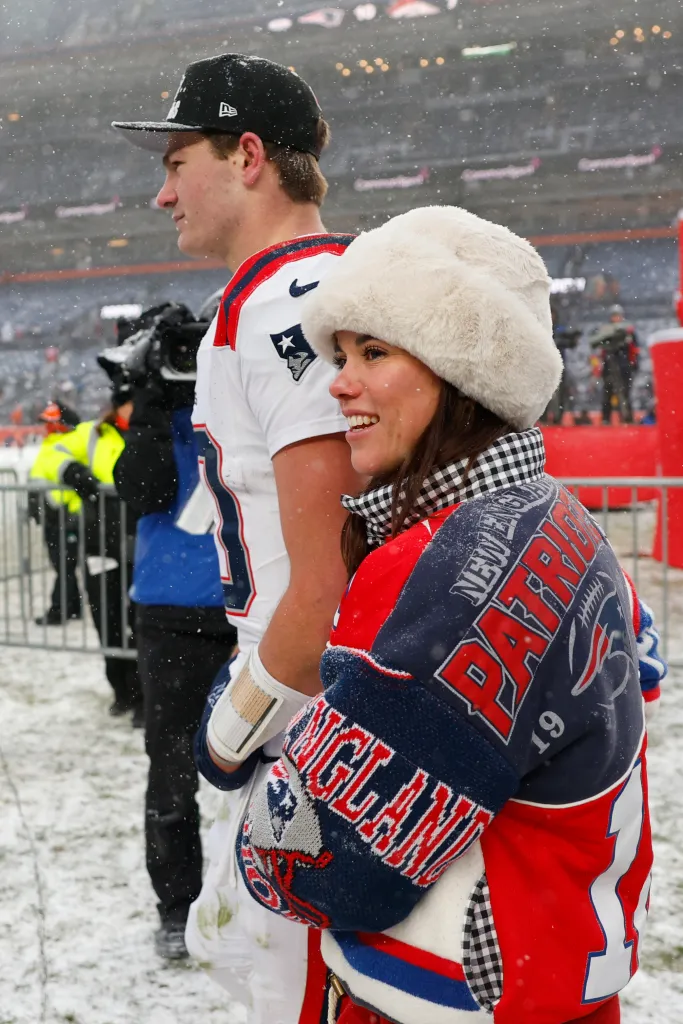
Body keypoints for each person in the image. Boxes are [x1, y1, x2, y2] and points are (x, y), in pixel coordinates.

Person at [234, 207, 667, 1024]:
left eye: (374, 351)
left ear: (463, 370)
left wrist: (267, 803)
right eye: (339, 353)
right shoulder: (548, 512)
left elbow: (324, 860)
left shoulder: (456, 562)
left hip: (455, 992)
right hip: (543, 975)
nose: (338, 381)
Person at [113, 53, 360, 1022]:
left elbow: (329, 582)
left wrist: (231, 727)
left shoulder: (279, 307)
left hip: (311, 711)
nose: (160, 191)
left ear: (247, 154)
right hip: (322, 697)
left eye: (178, 162)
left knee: (291, 989)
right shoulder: (311, 284)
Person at [112, 301, 238, 960]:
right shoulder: (153, 409)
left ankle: (255, 896)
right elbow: (143, 490)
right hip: (170, 615)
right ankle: (176, 904)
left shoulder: (245, 393)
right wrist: (152, 404)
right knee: (170, 768)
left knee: (266, 768)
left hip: (251, 606)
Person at [47, 383, 142, 722]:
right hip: (101, 546)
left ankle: (145, 695)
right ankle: (122, 691)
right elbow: (51, 454)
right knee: (107, 621)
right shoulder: (91, 434)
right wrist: (71, 471)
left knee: (141, 624)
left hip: (144, 550)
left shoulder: (157, 433)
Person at [28, 401, 83, 625]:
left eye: (51, 423)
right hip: (53, 515)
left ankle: (59, 610)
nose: (47, 427)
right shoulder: (52, 443)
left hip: (64, 514)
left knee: (64, 565)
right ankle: (73, 606)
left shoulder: (67, 444)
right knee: (62, 564)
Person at [590, 304, 640, 424]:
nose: (616, 318)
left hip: (624, 366)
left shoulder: (628, 330)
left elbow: (634, 348)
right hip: (609, 365)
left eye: (618, 316)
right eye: (614, 316)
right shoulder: (605, 330)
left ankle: (627, 418)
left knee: (625, 393)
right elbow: (596, 344)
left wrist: (633, 363)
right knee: (608, 392)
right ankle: (606, 418)